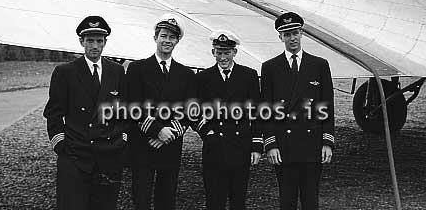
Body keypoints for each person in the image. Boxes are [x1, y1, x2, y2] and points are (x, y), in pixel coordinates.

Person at [43, 15, 127, 210]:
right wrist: (61, 145)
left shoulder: (116, 71)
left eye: (99, 41)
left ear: (105, 42)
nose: (95, 46)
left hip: (108, 154)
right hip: (75, 154)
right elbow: (53, 114)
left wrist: (121, 139)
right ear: (81, 41)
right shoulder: (65, 72)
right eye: (90, 41)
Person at [261, 12, 334, 210]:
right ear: (280, 37)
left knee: (311, 199)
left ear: (302, 33)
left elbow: (327, 106)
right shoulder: (270, 67)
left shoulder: (319, 65)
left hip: (312, 144)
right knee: (287, 200)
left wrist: (327, 142)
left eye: (295, 33)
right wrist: (271, 144)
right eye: (287, 34)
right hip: (284, 146)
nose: (292, 38)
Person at [126, 13, 196, 210]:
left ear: (178, 40)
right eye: (163, 35)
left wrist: (168, 134)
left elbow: (189, 111)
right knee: (141, 197)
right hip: (143, 142)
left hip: (171, 145)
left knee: (167, 199)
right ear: (155, 37)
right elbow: (133, 105)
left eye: (172, 37)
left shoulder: (186, 74)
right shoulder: (137, 69)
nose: (167, 40)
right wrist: (157, 130)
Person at [195, 30, 263, 210]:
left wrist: (256, 145)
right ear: (212, 53)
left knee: (238, 198)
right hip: (213, 146)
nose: (223, 57)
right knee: (213, 199)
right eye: (219, 52)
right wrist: (206, 132)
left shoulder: (248, 76)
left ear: (235, 53)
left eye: (227, 53)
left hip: (240, 146)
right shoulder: (203, 77)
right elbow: (193, 111)